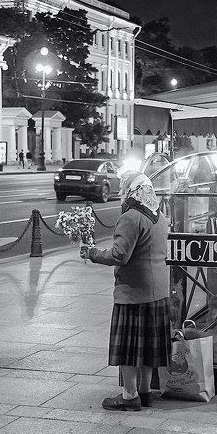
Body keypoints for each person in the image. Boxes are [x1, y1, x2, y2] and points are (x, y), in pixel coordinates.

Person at [81, 172, 170, 411]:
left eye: (124, 189)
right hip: (158, 292)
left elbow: (120, 255)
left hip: (134, 293)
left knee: (130, 349)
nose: (121, 194)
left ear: (132, 192)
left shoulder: (131, 217)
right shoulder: (160, 217)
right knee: (148, 348)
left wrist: (93, 253)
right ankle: (145, 392)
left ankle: (130, 396)